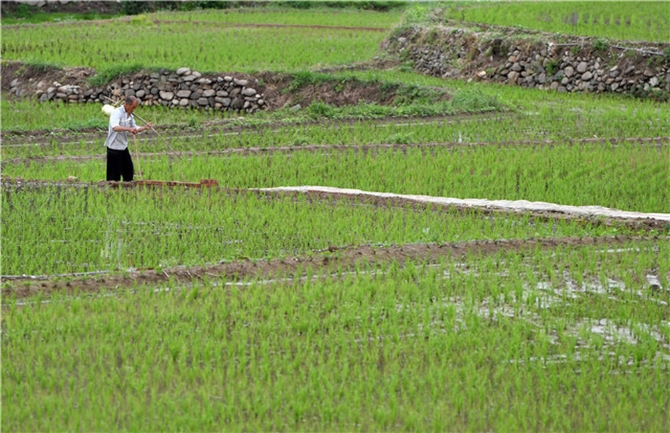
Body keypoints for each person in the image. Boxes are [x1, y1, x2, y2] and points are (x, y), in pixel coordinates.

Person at [104, 96, 152, 181]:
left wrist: (145, 127)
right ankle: (113, 188)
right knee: (114, 177)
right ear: (127, 105)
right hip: (114, 148)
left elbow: (135, 128)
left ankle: (128, 187)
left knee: (129, 172)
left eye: (135, 108)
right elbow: (115, 127)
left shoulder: (130, 116)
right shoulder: (116, 113)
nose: (133, 110)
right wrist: (129, 129)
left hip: (123, 147)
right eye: (133, 107)